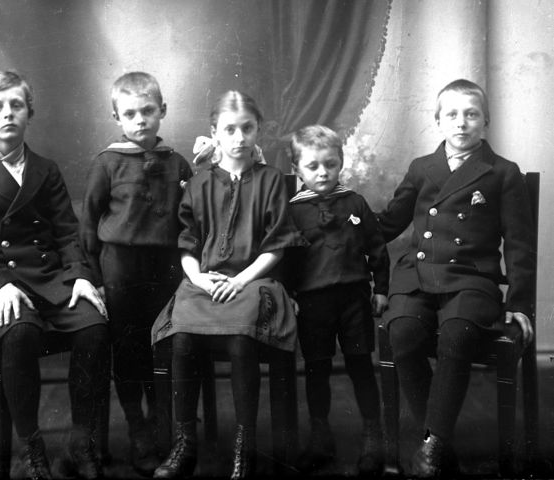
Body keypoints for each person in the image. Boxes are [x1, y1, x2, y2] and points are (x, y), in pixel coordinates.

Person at [0, 71, 110, 480]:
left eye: (16, 105)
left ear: (29, 114)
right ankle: (31, 447)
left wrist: (80, 276)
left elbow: (67, 232)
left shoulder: (45, 169)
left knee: (94, 326)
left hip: (48, 279)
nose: (8, 114)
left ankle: (80, 442)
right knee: (20, 331)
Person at [377, 79, 536, 477]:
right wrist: (348, 216)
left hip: (471, 278)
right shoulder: (421, 167)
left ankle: (431, 447)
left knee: (457, 334)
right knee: (402, 334)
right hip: (418, 274)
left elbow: (519, 244)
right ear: (438, 121)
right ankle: (437, 443)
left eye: (471, 114)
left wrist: (520, 303)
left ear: (486, 121)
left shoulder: (502, 172)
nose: (461, 123)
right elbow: (389, 223)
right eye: (452, 114)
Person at [151, 90, 305, 479]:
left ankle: (244, 446)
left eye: (247, 129)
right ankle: (185, 442)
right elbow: (187, 243)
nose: (239, 138)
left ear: (258, 130)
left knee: (241, 337)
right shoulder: (200, 183)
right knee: (182, 337)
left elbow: (276, 246)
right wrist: (199, 278)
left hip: (254, 281)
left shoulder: (271, 180)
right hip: (204, 282)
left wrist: (239, 280)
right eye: (230, 129)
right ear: (215, 132)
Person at [80, 72, 192, 477]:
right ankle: (137, 426)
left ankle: (162, 420)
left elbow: (192, 216)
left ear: (163, 110)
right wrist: (93, 276)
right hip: (121, 270)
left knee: (164, 344)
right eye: (130, 113)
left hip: (166, 268)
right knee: (128, 349)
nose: (140, 119)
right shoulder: (107, 163)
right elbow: (88, 223)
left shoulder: (177, 162)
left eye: (148, 110)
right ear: (116, 117)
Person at [286, 125, 390, 476]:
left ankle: (373, 436)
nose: (322, 172)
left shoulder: (354, 202)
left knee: (361, 365)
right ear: (297, 169)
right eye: (312, 166)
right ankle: (320, 438)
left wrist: (381, 289)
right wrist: (289, 294)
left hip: (353, 300)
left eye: (330, 164)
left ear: (341, 162)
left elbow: (377, 247)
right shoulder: (292, 211)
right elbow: (285, 259)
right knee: (316, 369)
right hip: (312, 303)